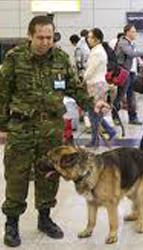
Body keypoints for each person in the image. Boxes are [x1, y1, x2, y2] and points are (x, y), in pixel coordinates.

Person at [0, 15, 91, 247]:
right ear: (30, 36)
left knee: (49, 175)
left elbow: (75, 88)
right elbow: (2, 94)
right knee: (16, 176)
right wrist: (1, 126)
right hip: (21, 127)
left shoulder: (60, 58)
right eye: (39, 37)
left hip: (51, 129)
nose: (44, 41)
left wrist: (93, 105)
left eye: (49, 37)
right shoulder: (14, 58)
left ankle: (45, 218)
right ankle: (12, 223)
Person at [84, 28, 116, 146]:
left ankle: (95, 140)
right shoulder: (98, 50)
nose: (88, 39)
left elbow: (90, 70)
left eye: (90, 37)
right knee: (96, 112)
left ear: (96, 39)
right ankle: (109, 131)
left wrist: (82, 80)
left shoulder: (97, 52)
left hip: (95, 84)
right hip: (97, 83)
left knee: (94, 112)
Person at [112, 24, 143, 125]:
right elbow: (130, 53)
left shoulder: (131, 43)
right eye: (133, 31)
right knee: (121, 95)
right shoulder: (123, 42)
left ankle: (133, 117)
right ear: (127, 32)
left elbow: (134, 56)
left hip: (131, 73)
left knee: (131, 96)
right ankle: (115, 116)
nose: (135, 33)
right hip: (125, 73)